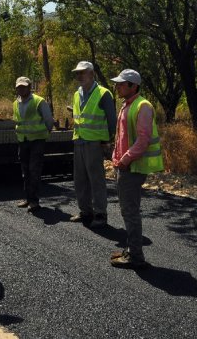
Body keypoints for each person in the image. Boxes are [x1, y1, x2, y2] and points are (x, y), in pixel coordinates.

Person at [109, 69, 164, 269]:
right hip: (125, 166)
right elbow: (123, 137)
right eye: (118, 83)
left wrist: (124, 160)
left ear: (134, 86)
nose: (118, 86)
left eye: (122, 84)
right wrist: (116, 158)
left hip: (132, 167)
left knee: (130, 211)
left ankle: (136, 256)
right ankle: (132, 250)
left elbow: (143, 140)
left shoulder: (143, 106)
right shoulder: (127, 105)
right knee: (127, 210)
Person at [70, 61, 116, 227]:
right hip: (79, 141)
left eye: (82, 72)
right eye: (77, 73)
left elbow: (112, 121)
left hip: (95, 143)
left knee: (96, 180)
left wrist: (107, 141)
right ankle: (85, 211)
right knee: (80, 179)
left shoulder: (103, 93)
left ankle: (100, 214)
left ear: (91, 74)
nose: (79, 76)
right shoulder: (77, 94)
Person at [13, 76, 54, 212]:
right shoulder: (15, 103)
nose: (21, 89)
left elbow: (49, 120)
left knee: (34, 170)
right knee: (25, 171)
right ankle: (28, 198)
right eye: (19, 87)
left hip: (37, 141)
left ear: (29, 87)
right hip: (23, 141)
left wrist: (45, 134)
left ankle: (34, 201)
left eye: (24, 86)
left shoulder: (39, 101)